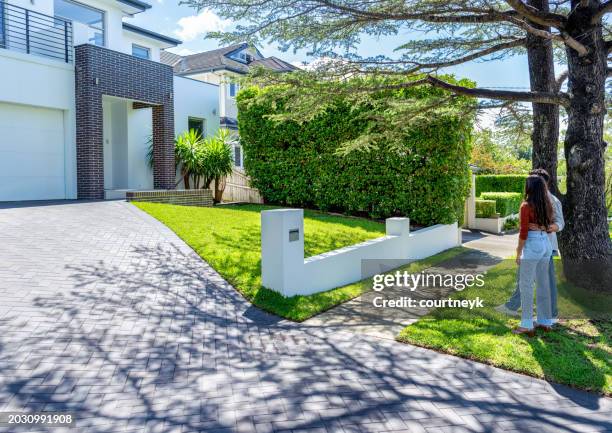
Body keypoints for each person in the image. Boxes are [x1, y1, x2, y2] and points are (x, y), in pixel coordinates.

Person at [495, 169, 564, 323]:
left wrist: (543, 227)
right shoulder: (539, 202)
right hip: (541, 245)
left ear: (544, 182)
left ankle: (543, 318)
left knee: (540, 282)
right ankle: (520, 310)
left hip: (544, 245)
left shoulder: (551, 201)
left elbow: (560, 223)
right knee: (527, 279)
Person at [511, 175, 555, 336]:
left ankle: (527, 324)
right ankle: (545, 321)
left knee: (526, 285)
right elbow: (550, 225)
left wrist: (518, 252)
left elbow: (523, 233)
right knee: (543, 283)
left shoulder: (526, 206)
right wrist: (541, 226)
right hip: (546, 243)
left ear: (530, 188)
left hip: (534, 244)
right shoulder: (548, 204)